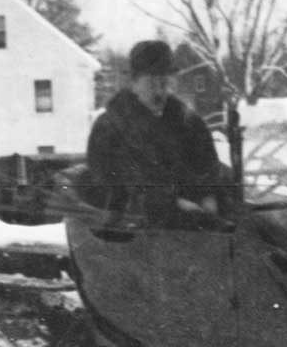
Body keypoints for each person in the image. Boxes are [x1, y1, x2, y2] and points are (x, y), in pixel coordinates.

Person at [86, 40, 228, 228]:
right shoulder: (110, 127)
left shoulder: (190, 124)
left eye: (165, 81)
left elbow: (208, 168)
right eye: (152, 82)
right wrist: (172, 203)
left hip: (197, 228)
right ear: (133, 83)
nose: (160, 90)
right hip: (133, 235)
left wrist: (210, 196)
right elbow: (112, 188)